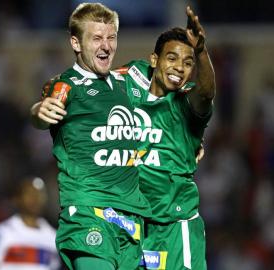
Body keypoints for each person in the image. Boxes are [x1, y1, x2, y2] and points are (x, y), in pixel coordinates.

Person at [30, 2, 151, 270]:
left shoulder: (127, 83)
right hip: (88, 216)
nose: (106, 46)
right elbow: (43, 112)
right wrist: (39, 110)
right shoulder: (67, 85)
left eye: (111, 37)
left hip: (132, 221)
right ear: (76, 43)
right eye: (96, 38)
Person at [117, 7, 215, 269]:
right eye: (172, 58)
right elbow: (95, 86)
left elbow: (206, 94)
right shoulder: (130, 78)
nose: (179, 68)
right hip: (133, 223)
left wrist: (202, 51)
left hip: (174, 224)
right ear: (154, 59)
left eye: (187, 62)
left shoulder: (186, 102)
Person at [0, 176, 60, 270]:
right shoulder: (2, 233)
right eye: (29, 193)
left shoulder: (53, 237)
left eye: (39, 194)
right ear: (17, 199)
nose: (34, 198)